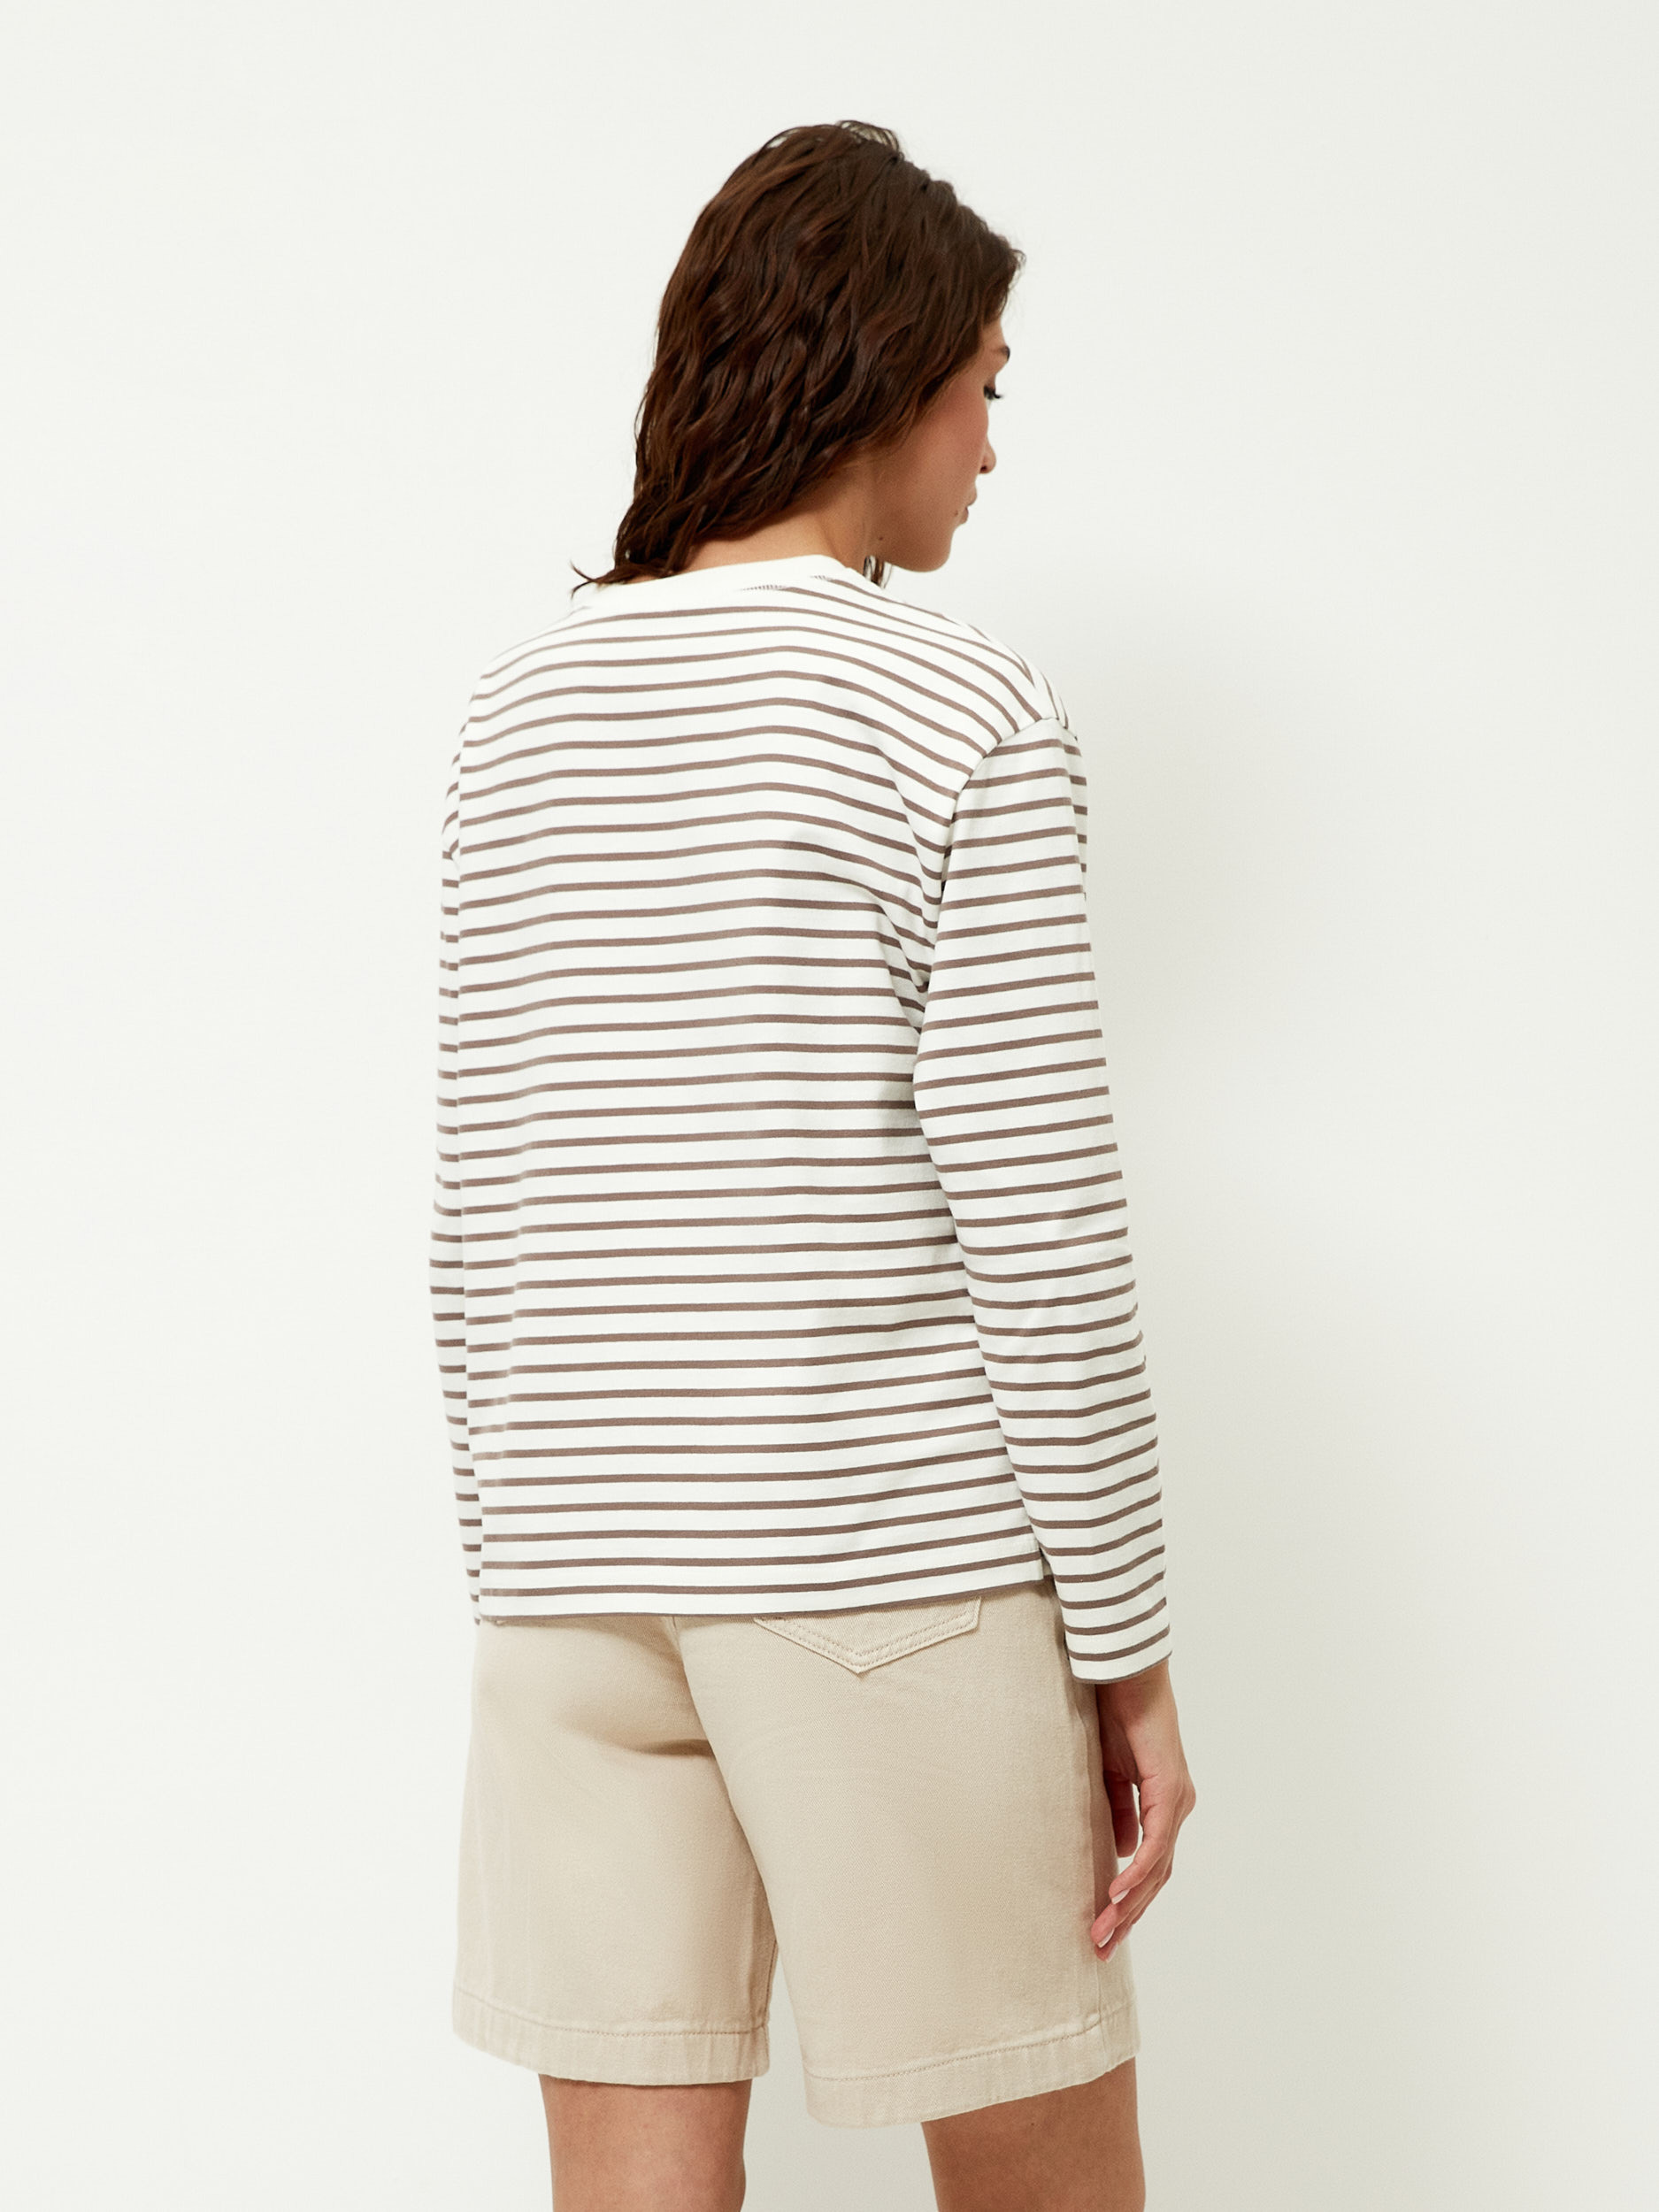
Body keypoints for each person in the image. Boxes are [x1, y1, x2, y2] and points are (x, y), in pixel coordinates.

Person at [431, 119, 1196, 2212]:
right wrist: (1124, 1652)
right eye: (982, 390)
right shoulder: (957, 707)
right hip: (879, 1564)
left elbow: (479, 1207)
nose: (988, 448)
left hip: (574, 1576)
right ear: (886, 375)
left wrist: (521, 1557)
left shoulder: (517, 712)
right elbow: (1039, 1226)